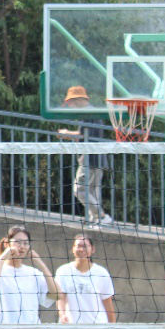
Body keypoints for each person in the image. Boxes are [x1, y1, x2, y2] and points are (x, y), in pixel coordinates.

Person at [57, 86, 113, 227]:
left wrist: (66, 133)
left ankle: (101, 216)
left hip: (89, 158)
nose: (70, 106)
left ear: (78, 100)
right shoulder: (92, 112)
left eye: (70, 102)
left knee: (80, 189)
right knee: (92, 190)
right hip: (98, 157)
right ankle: (96, 219)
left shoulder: (87, 113)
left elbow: (81, 135)